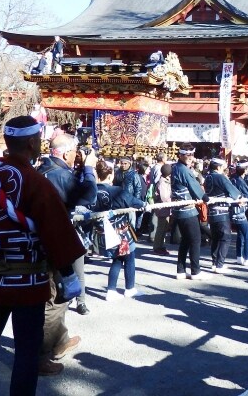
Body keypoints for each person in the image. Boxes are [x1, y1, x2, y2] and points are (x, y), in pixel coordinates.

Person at [0, 116, 85, 394]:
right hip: (29, 282)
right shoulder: (35, 182)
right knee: (26, 352)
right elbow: (57, 232)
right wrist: (68, 273)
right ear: (31, 142)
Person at [37, 134, 97, 317]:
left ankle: (57, 337)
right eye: (74, 151)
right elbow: (89, 196)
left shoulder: (42, 169)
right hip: (57, 236)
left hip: (41, 235)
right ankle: (51, 341)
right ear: (65, 154)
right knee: (58, 291)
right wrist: (88, 168)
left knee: (51, 287)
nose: (75, 155)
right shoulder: (60, 175)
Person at [100, 163, 148, 300]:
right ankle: (129, 288)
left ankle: (111, 290)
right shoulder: (115, 191)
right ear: (110, 176)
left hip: (102, 231)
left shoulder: (92, 191)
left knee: (117, 259)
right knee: (129, 257)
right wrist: (144, 205)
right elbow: (133, 201)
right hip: (119, 229)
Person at [170, 144, 208, 280]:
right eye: (187, 155)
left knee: (185, 240)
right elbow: (194, 185)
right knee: (195, 239)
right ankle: (195, 271)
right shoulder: (183, 170)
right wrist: (204, 197)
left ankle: (180, 270)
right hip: (187, 210)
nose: (190, 157)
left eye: (192, 155)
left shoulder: (177, 167)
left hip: (180, 209)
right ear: (180, 155)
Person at [202, 158, 240, 273]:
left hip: (211, 212)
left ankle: (215, 263)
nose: (225, 168)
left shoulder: (208, 177)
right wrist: (239, 198)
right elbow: (235, 193)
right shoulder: (220, 177)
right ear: (218, 167)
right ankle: (219, 265)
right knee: (225, 238)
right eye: (223, 166)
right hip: (221, 211)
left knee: (215, 238)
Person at [229, 161, 248, 267]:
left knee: (241, 234)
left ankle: (239, 257)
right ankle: (246, 258)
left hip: (234, 209)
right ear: (245, 169)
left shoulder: (232, 178)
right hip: (238, 210)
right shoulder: (239, 181)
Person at [152, 163, 173, 256]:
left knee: (164, 227)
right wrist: (172, 199)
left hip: (166, 208)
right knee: (161, 228)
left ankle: (161, 245)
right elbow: (164, 196)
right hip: (162, 207)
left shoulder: (166, 180)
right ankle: (157, 247)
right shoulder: (162, 182)